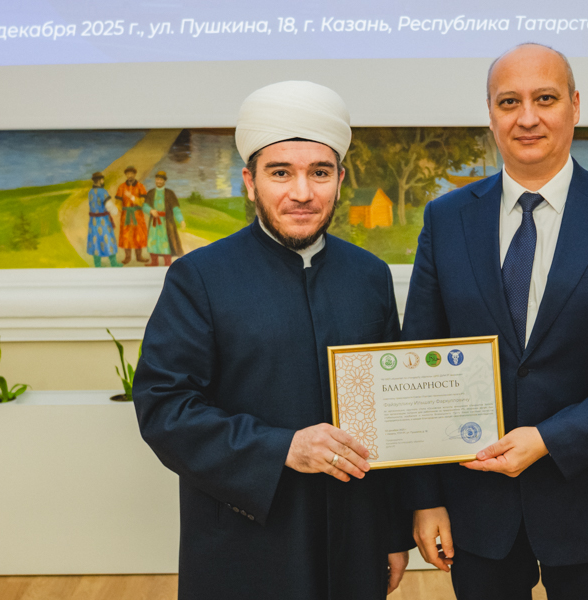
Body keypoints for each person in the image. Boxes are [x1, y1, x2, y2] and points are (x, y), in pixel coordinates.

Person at [402, 44, 588, 600]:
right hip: (477, 508)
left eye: (545, 98)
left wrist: (549, 439)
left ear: (575, 106)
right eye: (509, 102)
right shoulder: (446, 219)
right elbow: (419, 363)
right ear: (490, 114)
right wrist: (425, 499)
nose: (527, 117)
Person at [132, 81, 411, 600]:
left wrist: (393, 534)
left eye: (319, 172)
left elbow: (387, 414)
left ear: (340, 180)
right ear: (250, 181)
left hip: (354, 537)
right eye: (281, 172)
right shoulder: (199, 278)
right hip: (245, 540)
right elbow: (165, 409)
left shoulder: (369, 276)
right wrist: (284, 447)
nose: (302, 193)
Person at [144, 171, 185, 266]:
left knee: (166, 243)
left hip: (165, 223)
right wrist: (151, 210)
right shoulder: (151, 193)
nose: (158, 181)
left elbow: (176, 209)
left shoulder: (169, 193)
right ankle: (154, 262)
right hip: (154, 223)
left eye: (161, 179)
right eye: (157, 179)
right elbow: (145, 206)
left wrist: (181, 220)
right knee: (152, 242)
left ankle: (167, 263)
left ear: (164, 181)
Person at [115, 166, 148, 263]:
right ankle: (127, 257)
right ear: (126, 175)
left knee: (139, 235)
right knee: (126, 236)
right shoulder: (121, 187)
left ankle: (139, 256)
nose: (130, 175)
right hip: (126, 215)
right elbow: (118, 202)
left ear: (134, 174)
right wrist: (118, 209)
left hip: (137, 215)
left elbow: (142, 202)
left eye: (131, 173)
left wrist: (132, 197)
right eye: (128, 173)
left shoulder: (140, 186)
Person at [86, 172, 120, 267]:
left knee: (95, 241)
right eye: (102, 180)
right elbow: (109, 206)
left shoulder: (90, 192)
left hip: (93, 221)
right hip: (103, 221)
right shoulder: (103, 191)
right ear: (100, 180)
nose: (103, 181)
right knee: (109, 240)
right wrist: (116, 211)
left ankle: (97, 265)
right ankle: (113, 263)